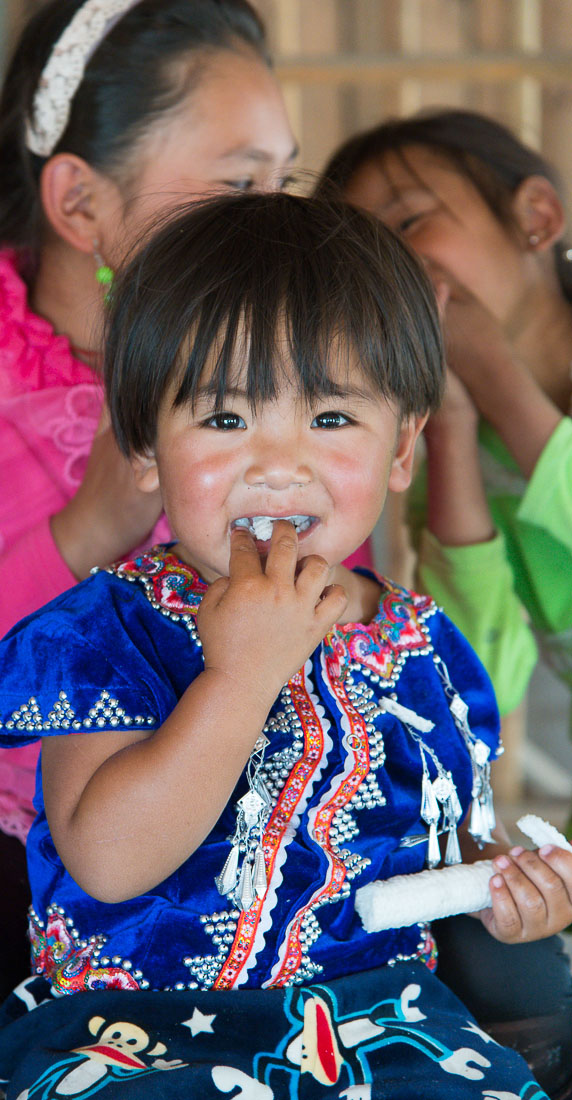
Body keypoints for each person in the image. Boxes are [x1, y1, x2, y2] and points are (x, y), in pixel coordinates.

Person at [0, 190, 566, 1098]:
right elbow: (109, 859)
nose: (278, 462)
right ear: (141, 448)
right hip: (136, 1034)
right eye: (223, 419)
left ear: (402, 449)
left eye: (331, 421)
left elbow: (439, 848)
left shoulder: (423, 650)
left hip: (382, 1026)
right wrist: (242, 675)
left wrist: (505, 888)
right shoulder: (102, 633)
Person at [0, 2, 307, 1096]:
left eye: (286, 184)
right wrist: (87, 528)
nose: (270, 221)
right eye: (237, 185)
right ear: (80, 201)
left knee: (489, 955)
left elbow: (328, 609)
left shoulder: (286, 370)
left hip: (238, 786)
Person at [318, 107, 572, 1097]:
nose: (397, 263)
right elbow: (492, 668)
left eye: (412, 220)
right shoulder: (440, 418)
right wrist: (458, 430)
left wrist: (500, 380)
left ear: (537, 215)